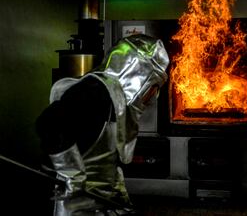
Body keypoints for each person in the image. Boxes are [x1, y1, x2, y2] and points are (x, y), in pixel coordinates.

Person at [36, 34, 169, 215]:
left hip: (97, 207)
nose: (152, 96)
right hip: (72, 209)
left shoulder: (114, 103)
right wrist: (72, 176)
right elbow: (50, 122)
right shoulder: (94, 92)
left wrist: (120, 201)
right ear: (137, 75)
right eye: (153, 87)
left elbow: (107, 162)